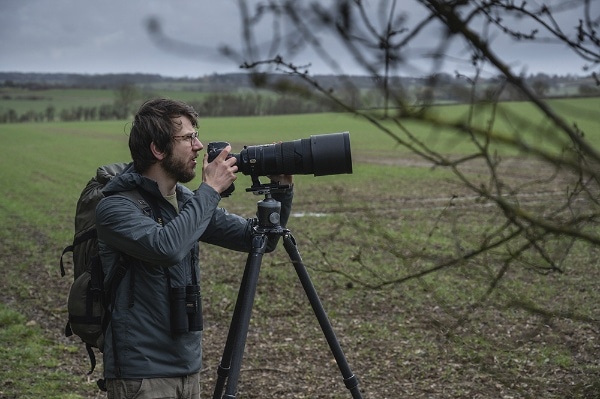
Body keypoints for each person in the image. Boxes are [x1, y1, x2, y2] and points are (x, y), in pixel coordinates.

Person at [95, 98, 294, 399]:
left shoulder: (185, 202)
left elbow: (259, 240)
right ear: (158, 149)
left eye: (196, 135)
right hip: (142, 375)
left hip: (189, 368)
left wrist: (282, 192)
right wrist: (210, 190)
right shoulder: (115, 207)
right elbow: (166, 248)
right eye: (188, 138)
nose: (199, 146)